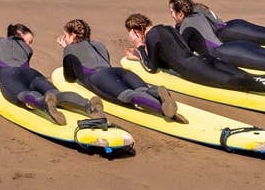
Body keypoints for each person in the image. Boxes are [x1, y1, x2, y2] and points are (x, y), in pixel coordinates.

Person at [124, 13, 265, 103]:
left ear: (136, 30)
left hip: (196, 70)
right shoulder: (166, 28)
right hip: (204, 60)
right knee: (242, 74)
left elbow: (151, 67)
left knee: (242, 82)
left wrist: (140, 48)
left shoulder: (150, 37)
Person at [56, 19, 187, 123]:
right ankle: (157, 91)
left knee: (127, 96)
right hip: (117, 72)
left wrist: (66, 48)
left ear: (73, 35)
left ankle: (163, 109)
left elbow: (70, 78)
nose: (65, 39)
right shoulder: (99, 45)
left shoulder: (70, 49)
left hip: (98, 77)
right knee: (143, 89)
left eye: (66, 35)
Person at [0, 23, 105, 126]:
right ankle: (88, 105)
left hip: (10, 75)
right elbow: (21, 67)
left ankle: (44, 103)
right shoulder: (27, 49)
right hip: (32, 74)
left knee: (22, 94)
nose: (29, 44)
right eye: (29, 41)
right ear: (19, 34)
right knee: (55, 94)